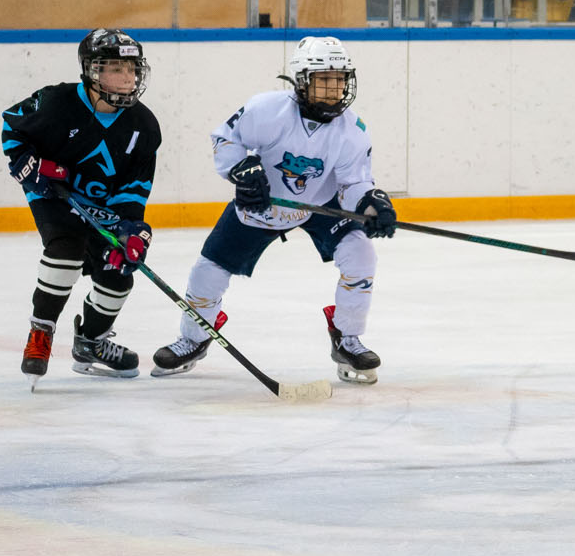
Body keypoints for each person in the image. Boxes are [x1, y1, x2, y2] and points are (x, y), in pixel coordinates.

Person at [152, 36, 397, 385]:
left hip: (320, 204)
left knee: (361, 254)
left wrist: (372, 202)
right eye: (324, 80)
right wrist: (241, 170)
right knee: (208, 271)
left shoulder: (353, 130)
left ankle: (347, 338)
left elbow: (353, 181)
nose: (334, 89)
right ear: (302, 81)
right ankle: (194, 336)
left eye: (340, 79)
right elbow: (225, 138)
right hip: (262, 202)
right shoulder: (266, 109)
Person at [1, 28, 162, 384]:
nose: (127, 77)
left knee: (118, 274)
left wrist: (131, 229)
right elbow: (13, 128)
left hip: (103, 205)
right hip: (54, 194)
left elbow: (134, 189)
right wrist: (28, 165)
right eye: (116, 68)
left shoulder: (145, 126)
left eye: (131, 68)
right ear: (92, 70)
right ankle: (41, 332)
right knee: (66, 250)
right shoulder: (56, 103)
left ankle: (91, 342)